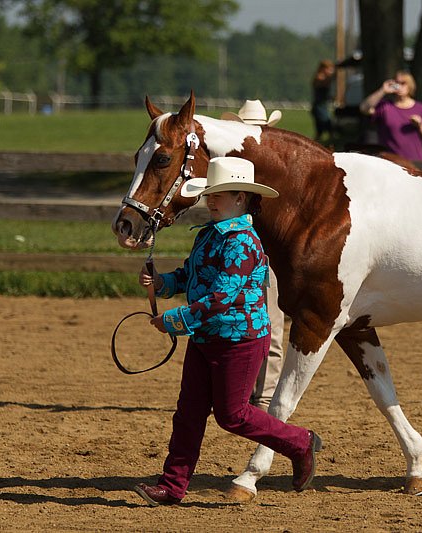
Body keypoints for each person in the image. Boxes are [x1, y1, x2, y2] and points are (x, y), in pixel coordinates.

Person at [133, 157, 322, 506]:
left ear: (242, 198)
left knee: (232, 415)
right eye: (210, 193)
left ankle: (300, 442)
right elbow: (190, 277)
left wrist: (173, 321)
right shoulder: (208, 235)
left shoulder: (243, 243)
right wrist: (161, 283)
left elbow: (220, 298)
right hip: (207, 337)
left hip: (239, 340)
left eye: (221, 194)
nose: (212, 200)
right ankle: (172, 486)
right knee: (188, 412)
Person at [221, 99, 286, 413]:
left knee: (270, 324)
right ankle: (243, 392)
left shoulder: (277, 167)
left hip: (266, 253)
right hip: (239, 251)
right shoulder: (232, 166)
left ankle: (264, 396)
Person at [359, 70, 422, 161]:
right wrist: (382, 90)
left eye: (403, 83)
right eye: (396, 83)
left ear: (410, 86)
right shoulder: (385, 107)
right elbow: (364, 108)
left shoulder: (420, 108)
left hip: (415, 163)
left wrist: (420, 126)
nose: (399, 86)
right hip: (390, 163)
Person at [311, 59, 335, 142]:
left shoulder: (323, 78)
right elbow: (323, 84)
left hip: (322, 106)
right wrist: (332, 76)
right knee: (326, 127)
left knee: (323, 130)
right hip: (319, 107)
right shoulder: (319, 77)